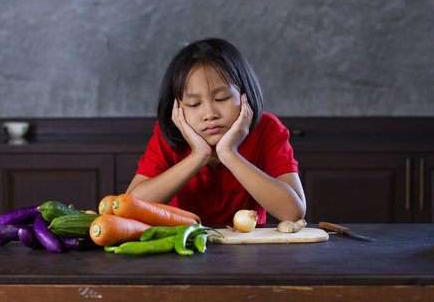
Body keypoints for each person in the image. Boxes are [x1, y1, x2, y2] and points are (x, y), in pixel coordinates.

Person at [126, 37, 306, 225]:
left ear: (245, 96)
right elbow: (130, 207)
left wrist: (229, 154)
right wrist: (199, 155)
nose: (210, 114)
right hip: (183, 247)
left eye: (222, 98)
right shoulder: (169, 134)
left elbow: (293, 212)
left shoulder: (267, 129)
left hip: (249, 247)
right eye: (194, 104)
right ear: (177, 108)